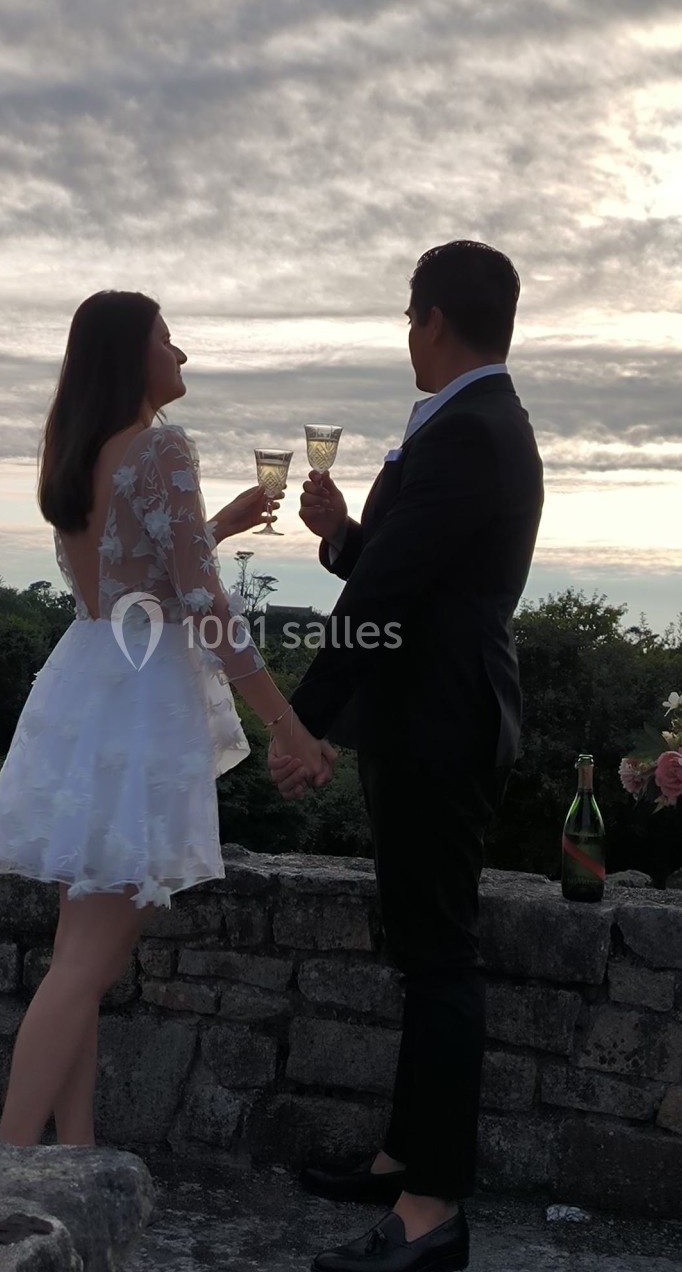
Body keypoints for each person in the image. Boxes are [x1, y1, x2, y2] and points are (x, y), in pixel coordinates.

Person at [0, 290, 334, 1147]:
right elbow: (200, 601)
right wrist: (286, 723)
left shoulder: (80, 451)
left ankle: (75, 1154)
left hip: (88, 685)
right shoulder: (164, 446)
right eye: (169, 340)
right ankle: (5, 1170)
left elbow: (138, 578)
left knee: (77, 962)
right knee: (83, 966)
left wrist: (217, 524)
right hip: (139, 704)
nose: (182, 355)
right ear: (134, 354)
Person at [268, 242, 544, 1272]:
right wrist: (341, 535)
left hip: (440, 724)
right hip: (423, 720)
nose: (406, 334)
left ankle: (430, 1213)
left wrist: (299, 726)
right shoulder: (467, 425)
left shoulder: (471, 429)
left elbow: (387, 602)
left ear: (430, 319)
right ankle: (401, 1156)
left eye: (407, 317)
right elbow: (394, 569)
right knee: (423, 948)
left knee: (440, 961)